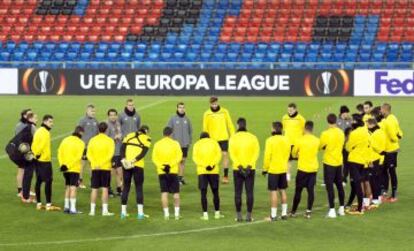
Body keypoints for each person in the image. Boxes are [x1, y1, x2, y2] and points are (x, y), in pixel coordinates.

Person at [229, 118, 260, 222]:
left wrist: (239, 166)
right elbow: (256, 153)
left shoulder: (233, 138)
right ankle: (249, 216)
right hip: (250, 169)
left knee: (238, 192)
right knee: (249, 192)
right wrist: (249, 166)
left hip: (237, 169)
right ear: (245, 125)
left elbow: (232, 154)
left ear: (237, 125)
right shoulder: (253, 137)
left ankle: (238, 216)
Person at [120, 125, 151, 220]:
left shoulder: (129, 135)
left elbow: (122, 148)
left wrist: (124, 159)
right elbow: (143, 153)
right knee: (139, 187)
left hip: (126, 164)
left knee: (126, 186)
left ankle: (123, 213)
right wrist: (134, 161)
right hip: (138, 165)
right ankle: (140, 213)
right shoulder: (147, 138)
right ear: (146, 131)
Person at [290, 121, 320, 219]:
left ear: (304, 128)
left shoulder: (300, 140)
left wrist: (298, 155)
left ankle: (293, 211)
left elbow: (294, 153)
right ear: (312, 129)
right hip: (313, 169)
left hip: (302, 169)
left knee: (298, 191)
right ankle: (308, 212)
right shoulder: (317, 140)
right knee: (311, 191)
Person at [152, 127, 183, 220]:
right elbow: (179, 156)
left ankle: (166, 214)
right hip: (173, 171)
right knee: (176, 193)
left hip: (162, 172)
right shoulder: (175, 143)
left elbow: (154, 158)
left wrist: (163, 166)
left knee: (164, 193)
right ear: (171, 134)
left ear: (163, 134)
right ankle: (177, 214)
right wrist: (170, 165)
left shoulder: (157, 144)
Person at [262, 121, 291, 221]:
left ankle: (273, 216)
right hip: (283, 169)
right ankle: (284, 214)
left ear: (274, 129)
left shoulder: (270, 140)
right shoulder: (287, 140)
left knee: (273, 192)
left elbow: (267, 156)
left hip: (273, 169)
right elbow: (288, 154)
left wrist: (265, 169)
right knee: (283, 190)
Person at [203, 97, 235, 184]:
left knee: (225, 155)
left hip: (224, 138)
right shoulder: (207, 114)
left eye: (215, 104)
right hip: (212, 140)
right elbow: (205, 128)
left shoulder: (224, 112)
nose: (214, 105)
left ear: (218, 102)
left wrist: (232, 136)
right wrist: (206, 139)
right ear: (210, 104)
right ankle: (214, 175)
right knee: (214, 158)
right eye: (212, 104)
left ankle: (225, 176)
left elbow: (230, 124)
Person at [32, 115, 61, 211]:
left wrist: (35, 155)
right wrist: (39, 154)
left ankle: (39, 204)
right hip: (44, 160)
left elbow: (34, 144)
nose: (51, 124)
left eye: (52, 122)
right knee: (48, 182)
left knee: (39, 181)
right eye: (50, 122)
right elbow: (41, 145)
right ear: (44, 121)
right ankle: (48, 205)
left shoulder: (38, 130)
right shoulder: (45, 132)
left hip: (37, 160)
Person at [192, 132, 223, 220]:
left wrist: (205, 165)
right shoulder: (214, 143)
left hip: (202, 171)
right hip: (214, 171)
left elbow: (195, 158)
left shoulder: (197, 144)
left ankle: (205, 214)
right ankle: (217, 213)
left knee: (203, 193)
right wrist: (212, 164)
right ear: (209, 137)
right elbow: (219, 155)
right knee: (215, 192)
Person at [6, 112, 37, 202]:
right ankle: (24, 194)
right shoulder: (30, 127)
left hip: (17, 151)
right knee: (27, 172)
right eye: (35, 118)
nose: (36, 119)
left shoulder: (21, 125)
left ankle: (23, 192)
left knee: (23, 171)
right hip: (21, 153)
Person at [320, 114, 346, 218]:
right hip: (339, 162)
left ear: (327, 121)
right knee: (339, 186)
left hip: (329, 163)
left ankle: (332, 210)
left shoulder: (325, 133)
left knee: (329, 186)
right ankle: (342, 209)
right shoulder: (341, 132)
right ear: (336, 121)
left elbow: (321, 146)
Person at [87, 122, 115, 216]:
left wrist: (95, 163)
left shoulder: (92, 140)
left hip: (95, 168)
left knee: (94, 189)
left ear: (98, 129)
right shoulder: (110, 140)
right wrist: (102, 163)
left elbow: (88, 154)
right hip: (105, 168)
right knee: (105, 189)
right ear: (106, 130)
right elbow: (110, 154)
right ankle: (105, 211)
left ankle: (92, 211)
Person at [345, 114, 370, 215]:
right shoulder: (366, 131)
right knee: (361, 183)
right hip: (364, 161)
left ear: (355, 122)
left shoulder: (354, 133)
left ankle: (360, 209)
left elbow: (348, 148)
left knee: (357, 185)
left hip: (354, 161)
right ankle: (362, 205)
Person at [58, 126, 85, 214]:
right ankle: (73, 209)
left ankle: (66, 207)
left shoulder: (65, 140)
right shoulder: (81, 143)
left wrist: (62, 164)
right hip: (74, 168)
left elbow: (59, 152)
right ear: (80, 133)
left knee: (68, 187)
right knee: (73, 188)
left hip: (65, 168)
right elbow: (78, 157)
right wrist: (69, 165)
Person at [380, 103, 403, 202]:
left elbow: (392, 135)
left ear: (385, 110)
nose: (381, 111)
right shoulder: (394, 117)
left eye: (381, 109)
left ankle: (393, 195)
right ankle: (385, 190)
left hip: (391, 150)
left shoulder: (386, 121)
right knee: (384, 170)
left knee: (391, 171)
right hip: (388, 150)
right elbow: (399, 131)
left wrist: (395, 139)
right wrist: (399, 136)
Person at [167, 102, 193, 185]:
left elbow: (190, 131)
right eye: (180, 107)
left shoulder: (187, 119)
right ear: (177, 108)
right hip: (175, 145)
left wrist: (189, 141)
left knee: (183, 161)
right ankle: (174, 178)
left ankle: (181, 178)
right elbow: (168, 131)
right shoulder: (172, 119)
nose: (182, 109)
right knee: (176, 162)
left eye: (183, 107)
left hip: (185, 144)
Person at [14, 109, 36, 198]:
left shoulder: (23, 125)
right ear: (24, 116)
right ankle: (20, 190)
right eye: (29, 114)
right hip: (23, 150)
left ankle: (26, 189)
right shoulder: (21, 126)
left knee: (27, 171)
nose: (31, 115)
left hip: (26, 150)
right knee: (22, 170)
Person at [282, 103, 306, 182]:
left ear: (295, 109)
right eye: (288, 110)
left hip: (298, 143)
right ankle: (287, 176)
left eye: (291, 110)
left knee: (301, 159)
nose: (290, 111)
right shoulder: (284, 118)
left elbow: (305, 131)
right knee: (288, 160)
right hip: (288, 143)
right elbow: (284, 129)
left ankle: (302, 175)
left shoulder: (301, 119)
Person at [366, 118, 386, 208]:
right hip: (378, 158)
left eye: (368, 125)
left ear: (371, 124)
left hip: (373, 159)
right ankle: (377, 197)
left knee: (373, 179)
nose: (367, 127)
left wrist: (380, 151)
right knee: (377, 178)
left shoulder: (374, 134)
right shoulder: (381, 131)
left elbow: (373, 145)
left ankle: (375, 199)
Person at [78, 104, 98, 189]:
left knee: (92, 164)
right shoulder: (82, 120)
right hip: (84, 147)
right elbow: (78, 131)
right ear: (87, 111)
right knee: (82, 164)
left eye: (94, 111)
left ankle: (92, 181)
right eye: (91, 111)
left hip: (93, 147)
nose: (93, 113)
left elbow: (98, 133)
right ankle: (80, 181)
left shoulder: (96, 121)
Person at [106, 109, 123, 197]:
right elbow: (105, 139)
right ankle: (108, 189)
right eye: (111, 115)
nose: (113, 117)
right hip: (111, 153)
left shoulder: (118, 123)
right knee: (111, 172)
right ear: (108, 116)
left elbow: (121, 133)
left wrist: (121, 137)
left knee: (119, 171)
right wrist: (114, 137)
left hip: (118, 151)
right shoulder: (106, 125)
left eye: (114, 115)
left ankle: (119, 189)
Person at [337, 105, 352, 185]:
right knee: (337, 162)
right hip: (338, 145)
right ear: (341, 113)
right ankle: (337, 177)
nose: (347, 115)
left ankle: (344, 178)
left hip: (347, 145)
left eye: (347, 113)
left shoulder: (350, 121)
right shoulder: (337, 121)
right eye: (345, 113)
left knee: (346, 162)